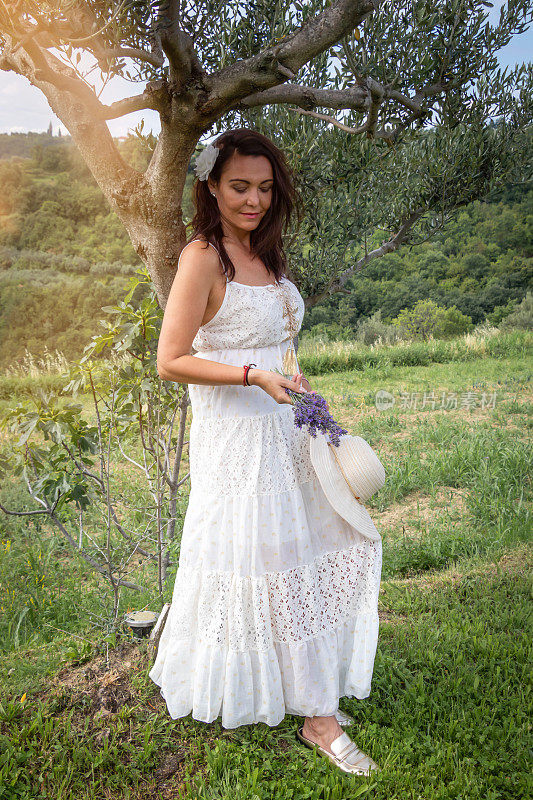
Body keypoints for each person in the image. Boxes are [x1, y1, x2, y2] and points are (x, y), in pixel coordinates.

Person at [149, 128, 382, 776]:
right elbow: (170, 360)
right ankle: (317, 717)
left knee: (312, 552)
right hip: (238, 442)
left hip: (285, 429)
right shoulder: (204, 255)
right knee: (269, 562)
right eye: (238, 187)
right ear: (211, 187)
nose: (252, 199)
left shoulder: (264, 252)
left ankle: (305, 692)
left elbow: (278, 346)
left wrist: (301, 393)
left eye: (263, 187)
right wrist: (252, 376)